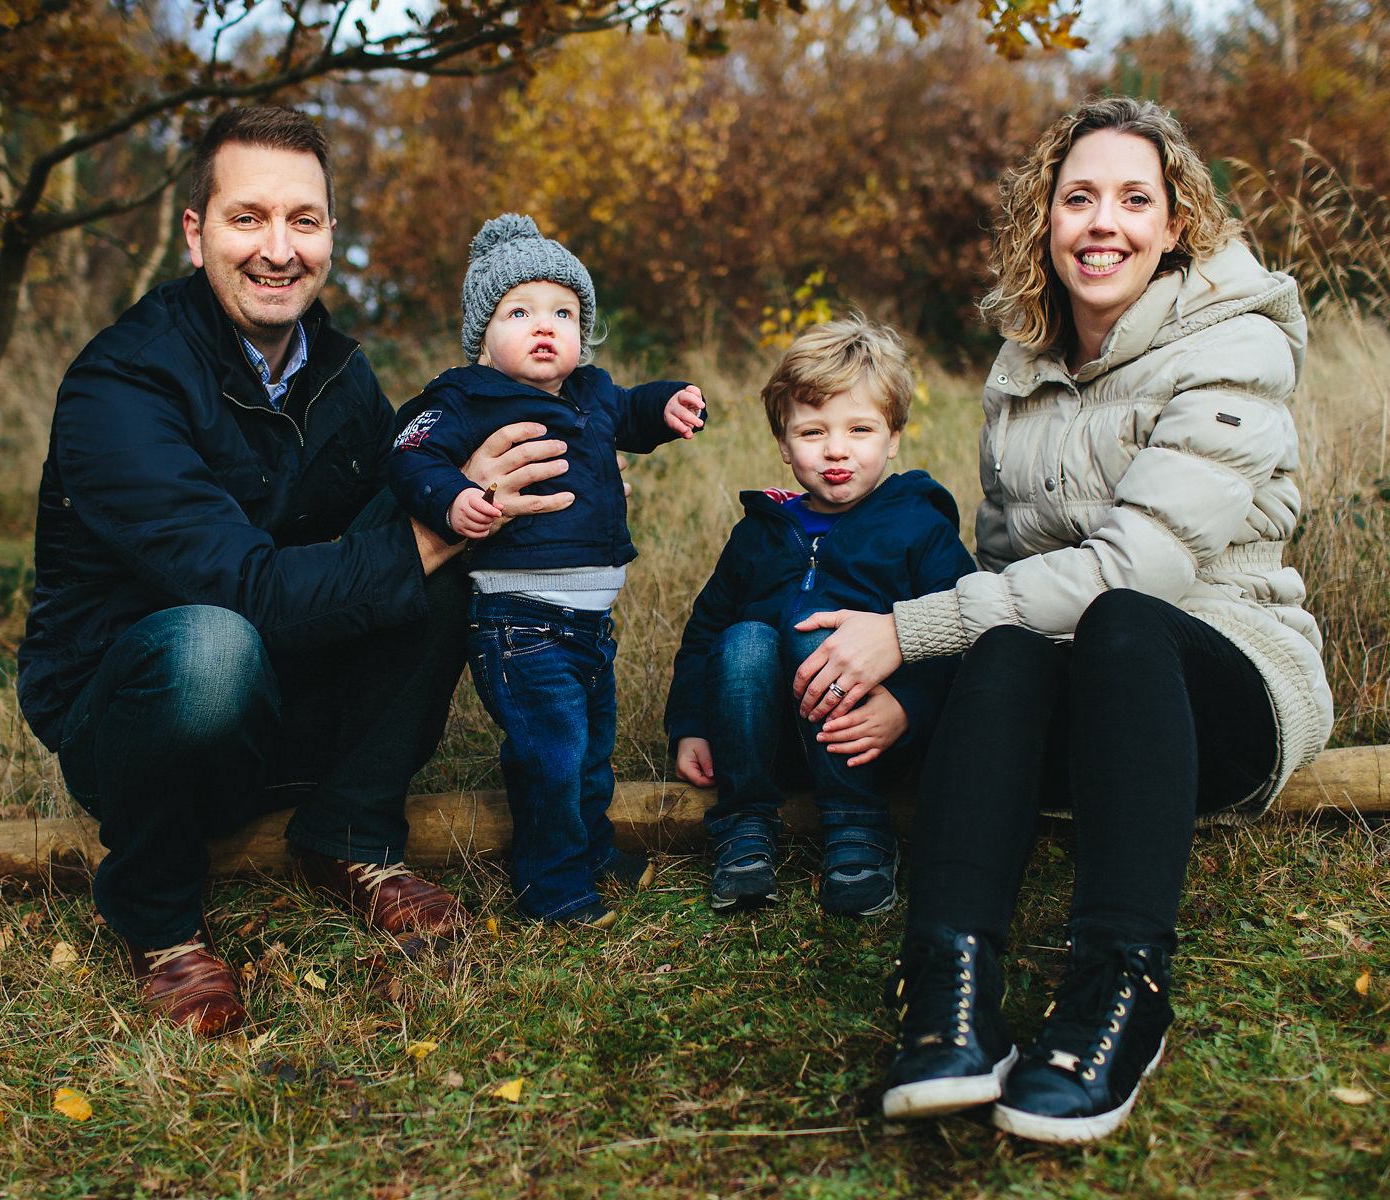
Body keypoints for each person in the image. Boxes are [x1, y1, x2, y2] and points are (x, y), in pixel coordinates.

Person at [789, 98, 1334, 1141]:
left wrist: (904, 632)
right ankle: (947, 993)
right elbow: (1007, 580)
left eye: (1136, 200)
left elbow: (1145, 568)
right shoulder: (1022, 368)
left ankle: (1118, 992)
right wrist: (927, 703)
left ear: (1177, 225)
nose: (1103, 223)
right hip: (1080, 695)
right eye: (1078, 197)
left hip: (1220, 681)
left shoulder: (1240, 349)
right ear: (1045, 218)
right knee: (1005, 640)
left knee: (1121, 615)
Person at [16, 108, 573, 1038]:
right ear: (195, 235)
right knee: (213, 642)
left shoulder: (344, 375)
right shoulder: (120, 385)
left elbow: (424, 486)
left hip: (284, 692)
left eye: (304, 221)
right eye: (248, 219)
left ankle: (349, 832)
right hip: (139, 712)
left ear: (329, 239)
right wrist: (438, 530)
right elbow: (240, 592)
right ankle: (156, 914)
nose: (279, 250)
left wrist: (568, 456)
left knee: (440, 516)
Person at [387, 213, 707, 928]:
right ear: (482, 334)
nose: (545, 325)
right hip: (520, 623)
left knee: (591, 752)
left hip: (591, 626)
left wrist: (670, 402)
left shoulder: (591, 392)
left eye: (563, 311)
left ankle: (589, 851)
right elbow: (410, 456)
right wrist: (459, 499)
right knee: (550, 757)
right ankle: (551, 885)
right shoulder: (466, 398)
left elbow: (632, 412)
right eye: (519, 311)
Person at [663, 316, 974, 917]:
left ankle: (858, 827)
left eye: (860, 428)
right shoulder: (758, 535)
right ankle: (746, 826)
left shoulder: (920, 528)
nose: (836, 449)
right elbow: (703, 629)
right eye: (812, 432)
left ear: (894, 436)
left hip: (868, 740)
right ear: (783, 445)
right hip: (765, 737)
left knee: (827, 634)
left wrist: (908, 708)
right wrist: (692, 724)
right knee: (744, 638)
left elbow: (959, 630)